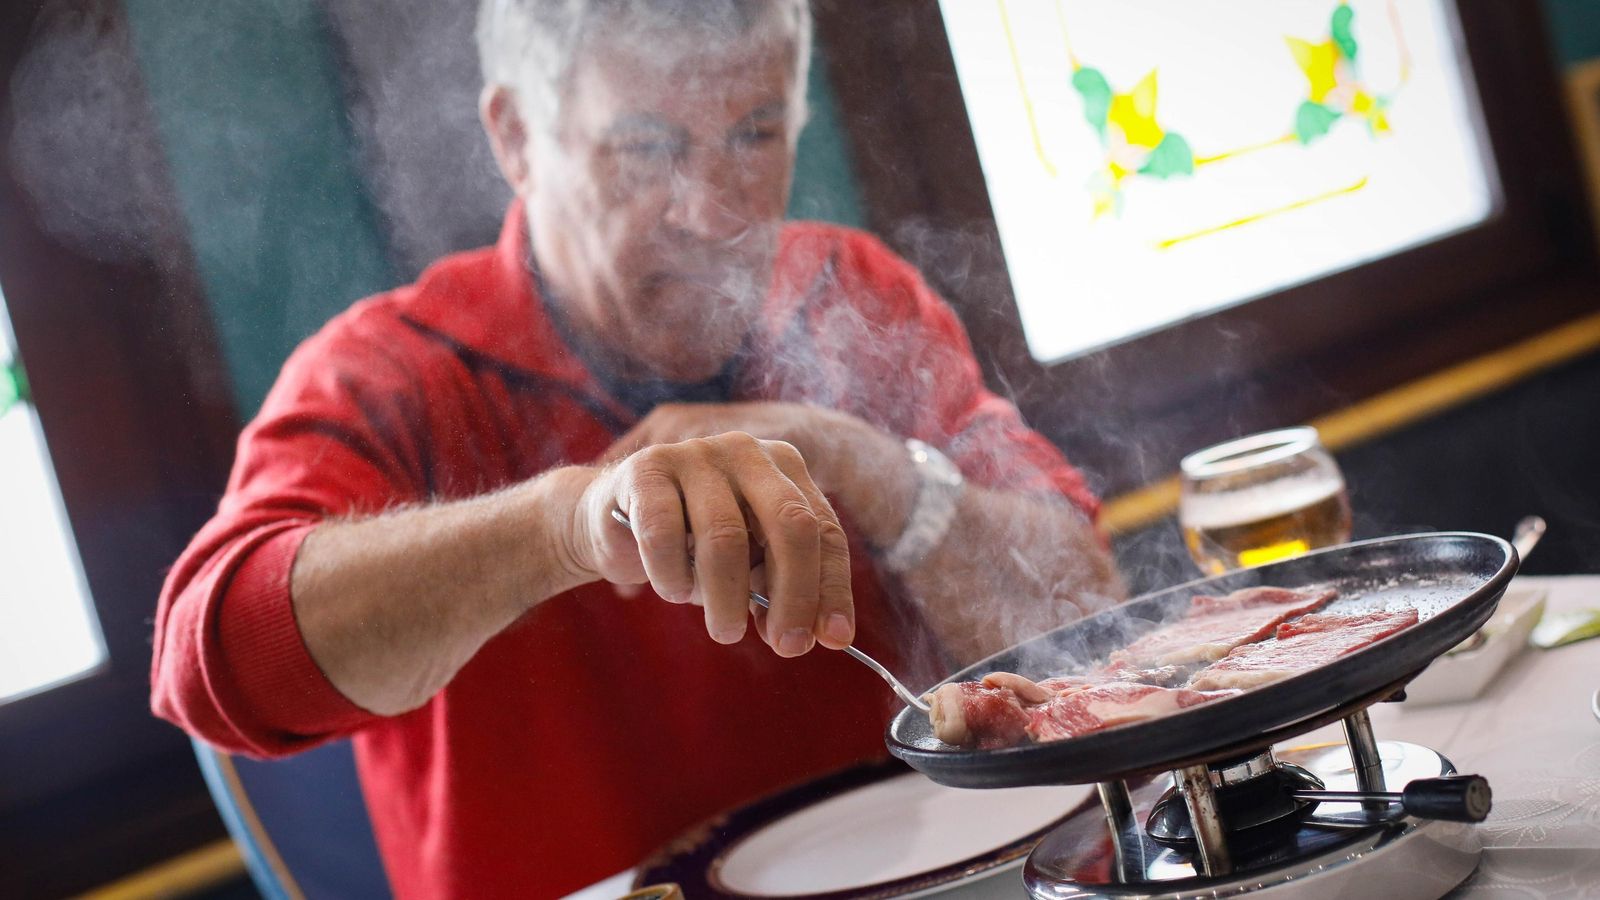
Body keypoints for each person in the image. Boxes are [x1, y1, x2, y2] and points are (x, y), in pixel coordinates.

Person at [150, 1, 1123, 896]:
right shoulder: (391, 373)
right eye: (644, 147)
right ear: (517, 137)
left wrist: (867, 469)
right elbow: (208, 668)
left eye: (755, 134)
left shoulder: (849, 289)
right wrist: (565, 523)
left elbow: (1084, 611)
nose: (712, 212)